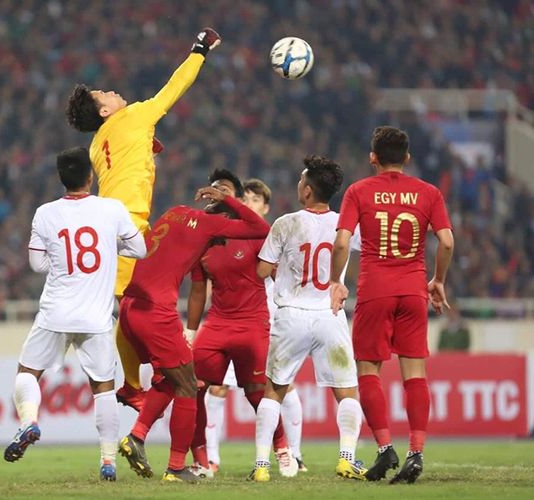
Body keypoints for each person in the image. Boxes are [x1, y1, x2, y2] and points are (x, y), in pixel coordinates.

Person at [66, 28, 222, 412]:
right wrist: (199, 51)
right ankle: (141, 379)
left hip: (115, 224)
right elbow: (173, 89)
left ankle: (148, 373)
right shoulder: (134, 116)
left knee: (138, 304)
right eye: (105, 95)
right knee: (138, 305)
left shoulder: (97, 142)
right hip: (125, 225)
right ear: (104, 111)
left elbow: (127, 161)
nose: (113, 92)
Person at [3, 147, 147, 482]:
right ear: (90, 176)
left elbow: (37, 264)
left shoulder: (45, 213)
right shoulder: (111, 209)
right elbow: (139, 249)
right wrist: (111, 247)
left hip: (55, 312)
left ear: (60, 179)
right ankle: (108, 461)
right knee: (104, 388)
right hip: (96, 318)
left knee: (27, 372)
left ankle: (29, 422)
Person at [117, 185, 269, 483]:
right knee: (189, 384)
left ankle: (137, 436)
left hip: (129, 308)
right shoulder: (212, 225)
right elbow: (259, 227)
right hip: (155, 311)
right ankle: (175, 468)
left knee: (172, 376)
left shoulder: (175, 211)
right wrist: (229, 200)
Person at [329, 126, 454, 484]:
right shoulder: (428, 193)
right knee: (415, 375)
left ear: (373, 158)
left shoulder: (358, 191)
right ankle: (416, 453)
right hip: (414, 291)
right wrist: (438, 280)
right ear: (407, 158)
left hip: (375, 292)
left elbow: (341, 242)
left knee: (368, 372)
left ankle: (385, 447)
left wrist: (337, 281)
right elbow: (446, 241)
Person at [251, 156, 365, 483]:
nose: (299, 184)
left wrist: (281, 266)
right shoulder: (346, 225)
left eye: (302, 181)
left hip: (293, 315)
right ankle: (346, 458)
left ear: (308, 189)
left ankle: (261, 466)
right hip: (329, 314)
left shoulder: (285, 223)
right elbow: (364, 250)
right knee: (347, 392)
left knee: (274, 390)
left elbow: (261, 271)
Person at [186, 173, 297, 478]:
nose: (217, 196)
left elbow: (264, 230)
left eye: (225, 192)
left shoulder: (254, 233)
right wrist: (190, 332)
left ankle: (283, 449)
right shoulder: (204, 240)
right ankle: (201, 460)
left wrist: (227, 198)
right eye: (215, 191)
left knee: (257, 393)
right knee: (191, 387)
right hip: (218, 323)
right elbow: (198, 291)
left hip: (252, 323)